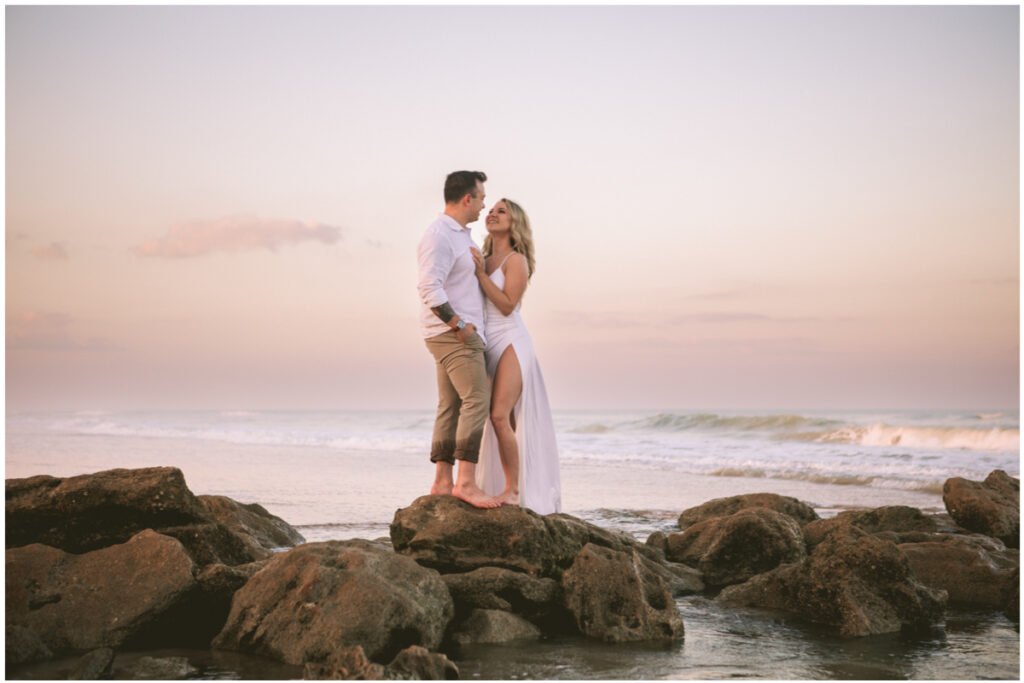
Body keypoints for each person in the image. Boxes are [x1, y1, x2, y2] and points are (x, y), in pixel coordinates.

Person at [471, 198, 561, 514]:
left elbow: (508, 304)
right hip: (485, 343)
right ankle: (497, 486)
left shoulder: (516, 261)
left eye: (502, 211)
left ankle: (514, 490)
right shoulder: (480, 257)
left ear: (515, 222)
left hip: (510, 339)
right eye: (491, 210)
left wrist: (481, 276)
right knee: (497, 420)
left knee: (499, 415)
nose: (493, 214)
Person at [417, 170, 499, 509]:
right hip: (453, 335)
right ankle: (466, 483)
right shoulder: (440, 235)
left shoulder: (461, 236)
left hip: (450, 333)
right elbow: (428, 287)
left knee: (449, 405)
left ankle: (442, 482)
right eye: (480, 198)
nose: (483, 205)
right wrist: (459, 325)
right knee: (477, 401)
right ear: (467, 198)